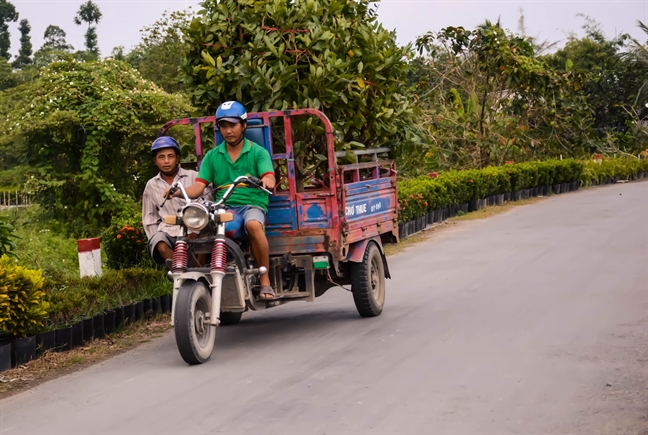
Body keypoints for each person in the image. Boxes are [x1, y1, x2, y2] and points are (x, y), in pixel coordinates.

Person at [165, 101, 277, 300]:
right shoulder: (212, 156)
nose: (228, 130)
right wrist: (178, 192)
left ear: (243, 126)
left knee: (253, 225)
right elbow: (198, 187)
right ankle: (200, 278)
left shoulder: (258, 152)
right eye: (223, 126)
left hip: (252, 204)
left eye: (232, 125)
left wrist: (267, 179)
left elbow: (269, 175)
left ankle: (265, 279)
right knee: (202, 227)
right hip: (224, 205)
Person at [142, 136, 203, 268]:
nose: (166, 161)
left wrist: (194, 232)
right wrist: (154, 238)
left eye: (170, 156)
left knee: (204, 242)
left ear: (177, 158)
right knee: (159, 242)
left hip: (195, 229)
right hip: (168, 232)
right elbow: (149, 219)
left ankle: (200, 274)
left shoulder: (194, 177)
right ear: (155, 160)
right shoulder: (151, 185)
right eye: (161, 157)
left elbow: (205, 206)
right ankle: (180, 271)